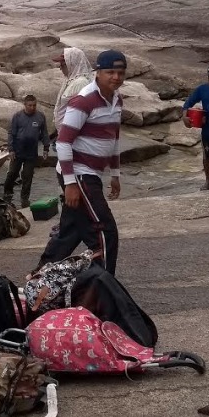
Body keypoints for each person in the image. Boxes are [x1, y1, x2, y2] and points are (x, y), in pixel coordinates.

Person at [36, 49, 126, 275]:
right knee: (105, 232)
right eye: (110, 72)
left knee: (71, 231)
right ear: (98, 72)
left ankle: (39, 275)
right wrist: (70, 183)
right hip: (79, 173)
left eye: (120, 73)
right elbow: (63, 142)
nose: (116, 77)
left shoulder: (116, 100)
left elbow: (114, 138)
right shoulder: (84, 100)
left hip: (92, 173)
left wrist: (115, 174)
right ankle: (105, 284)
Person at [3, 94, 50, 207]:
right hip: (17, 151)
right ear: (24, 105)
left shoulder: (40, 116)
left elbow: (44, 133)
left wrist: (46, 148)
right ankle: (7, 194)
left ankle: (24, 200)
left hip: (31, 152)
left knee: (28, 176)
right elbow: (11, 133)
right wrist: (11, 149)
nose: (32, 107)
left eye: (34, 105)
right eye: (30, 105)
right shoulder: (17, 116)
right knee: (12, 173)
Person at [52, 47, 94, 131]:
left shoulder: (80, 83)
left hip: (73, 133)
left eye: (63, 65)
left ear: (72, 64)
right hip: (65, 132)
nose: (60, 68)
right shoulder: (70, 80)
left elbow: (80, 113)